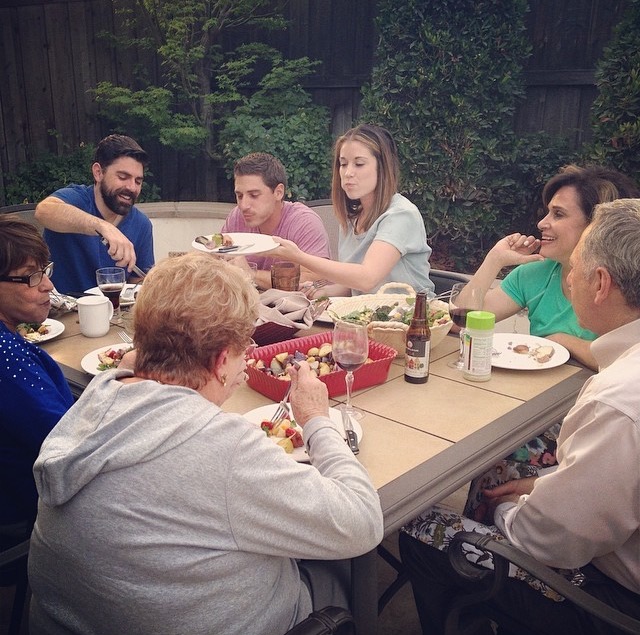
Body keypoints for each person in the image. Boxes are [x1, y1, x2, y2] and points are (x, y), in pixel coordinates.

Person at [28, 251, 383, 635]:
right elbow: (363, 523)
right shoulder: (226, 451)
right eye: (244, 349)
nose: (246, 363)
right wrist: (316, 418)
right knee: (345, 569)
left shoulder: (96, 400)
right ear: (220, 361)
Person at [400, 198, 640, 635]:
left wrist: (507, 510)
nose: (569, 279)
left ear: (601, 283)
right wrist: (543, 484)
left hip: (610, 601)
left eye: (576, 269)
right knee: (502, 470)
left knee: (420, 527)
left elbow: (551, 541)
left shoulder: (619, 399)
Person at [459, 164, 640, 371]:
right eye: (548, 212)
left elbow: (625, 358)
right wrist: (495, 259)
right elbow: (463, 323)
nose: (541, 223)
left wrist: (561, 340)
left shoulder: (623, 283)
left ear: (596, 224)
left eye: (558, 214)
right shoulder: (536, 272)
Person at [270, 123, 434, 296]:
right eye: (343, 164)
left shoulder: (401, 215)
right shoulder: (351, 219)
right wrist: (318, 292)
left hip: (412, 311)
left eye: (359, 164)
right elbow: (353, 286)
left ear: (383, 167)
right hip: (364, 311)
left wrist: (299, 257)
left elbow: (367, 278)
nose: (348, 172)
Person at [0, 215, 74, 539]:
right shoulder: (7, 359)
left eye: (45, 270)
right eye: (31, 276)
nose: (48, 285)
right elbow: (70, 447)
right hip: (29, 517)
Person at [35, 134, 155, 294]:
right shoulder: (77, 199)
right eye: (123, 177)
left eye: (138, 181)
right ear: (98, 173)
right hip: (61, 307)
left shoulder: (141, 224)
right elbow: (44, 211)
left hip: (112, 308)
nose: (132, 187)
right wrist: (103, 227)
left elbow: (138, 281)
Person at [221, 152, 331, 289]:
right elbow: (217, 263)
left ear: (278, 192)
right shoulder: (236, 217)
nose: (243, 205)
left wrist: (252, 274)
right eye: (239, 196)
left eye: (254, 195)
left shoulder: (304, 222)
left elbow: (317, 278)